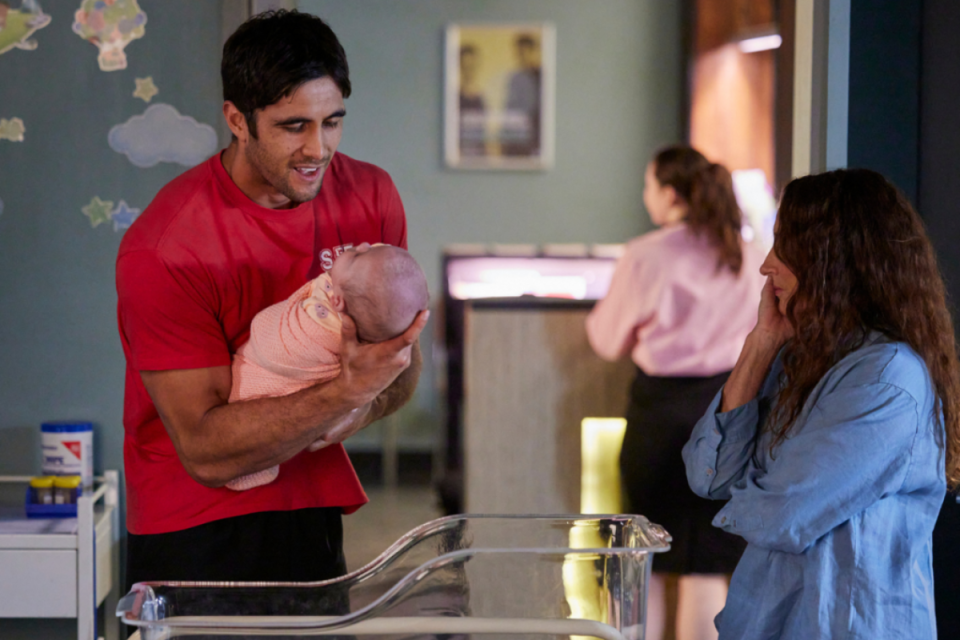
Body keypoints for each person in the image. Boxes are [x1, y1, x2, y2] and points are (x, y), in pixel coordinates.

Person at [115, 9, 428, 588]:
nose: (318, 148)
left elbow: (402, 362)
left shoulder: (370, 195)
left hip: (311, 507)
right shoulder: (165, 246)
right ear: (238, 119)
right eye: (293, 126)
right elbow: (207, 452)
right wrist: (348, 391)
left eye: (332, 122)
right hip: (194, 526)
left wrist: (362, 398)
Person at [682, 168, 960, 639]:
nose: (766, 265)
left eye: (784, 246)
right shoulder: (797, 359)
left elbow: (783, 515)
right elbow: (709, 475)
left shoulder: (888, 378)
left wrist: (759, 491)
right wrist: (760, 344)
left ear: (834, 258)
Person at [585, 145, 765, 640]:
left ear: (668, 192)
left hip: (658, 413)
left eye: (647, 186)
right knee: (708, 559)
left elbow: (606, 339)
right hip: (728, 410)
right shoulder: (749, 254)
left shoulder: (646, 254)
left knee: (647, 559)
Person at [227, 244, 429, 491]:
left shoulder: (319, 318)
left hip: (304, 479)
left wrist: (352, 398)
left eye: (357, 256)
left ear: (336, 301)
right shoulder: (368, 310)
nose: (363, 245)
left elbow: (271, 335)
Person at [501, 34, 541, 157]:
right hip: (516, 136)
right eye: (518, 52)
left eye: (525, 52)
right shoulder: (514, 78)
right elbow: (509, 107)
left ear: (532, 52)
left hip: (535, 136)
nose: (521, 56)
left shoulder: (541, 77)